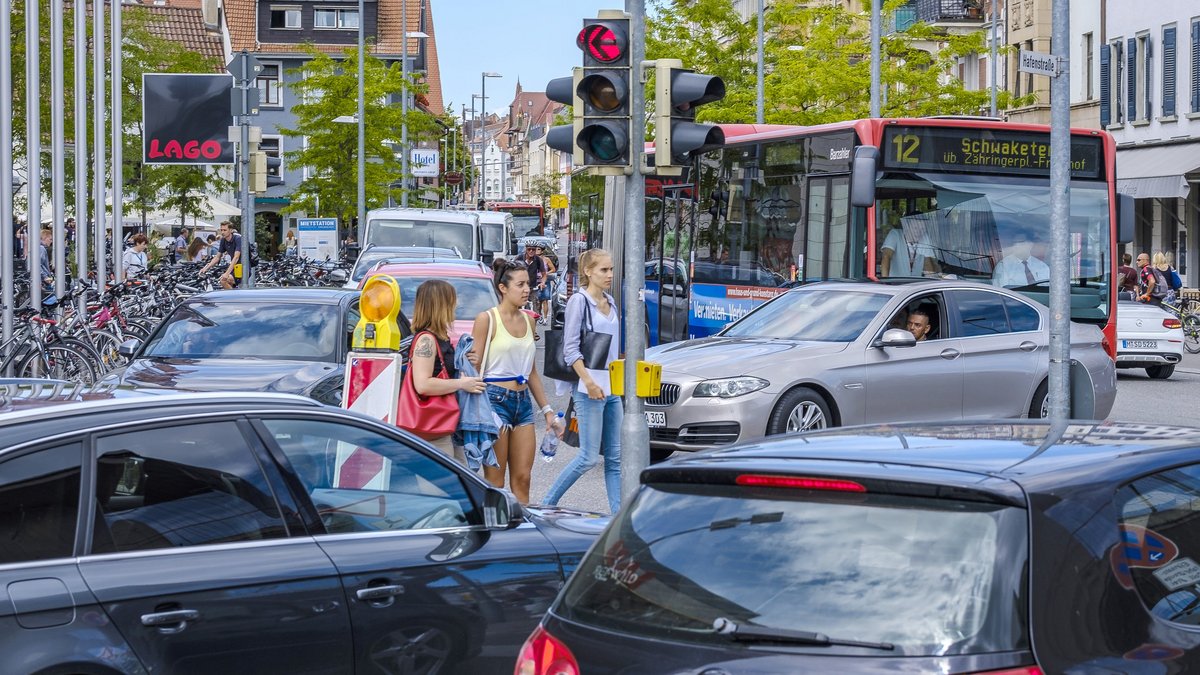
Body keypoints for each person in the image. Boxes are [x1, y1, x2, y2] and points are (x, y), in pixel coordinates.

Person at [469, 258, 560, 504]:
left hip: (523, 404)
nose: (526, 289)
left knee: (523, 478)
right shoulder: (487, 319)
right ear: (503, 288)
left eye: (528, 284)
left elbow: (530, 371)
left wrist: (548, 410)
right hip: (494, 401)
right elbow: (473, 367)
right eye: (520, 285)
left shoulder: (530, 320)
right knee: (495, 482)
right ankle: (493, 535)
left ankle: (522, 534)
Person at [543, 248, 623, 515]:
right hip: (588, 389)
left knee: (614, 459)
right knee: (588, 457)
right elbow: (570, 349)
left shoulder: (611, 302)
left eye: (611, 269)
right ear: (588, 272)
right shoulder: (580, 301)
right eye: (604, 269)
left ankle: (617, 515)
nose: (609, 274)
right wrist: (588, 382)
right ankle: (546, 504)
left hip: (612, 387)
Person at [408, 280, 486, 461]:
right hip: (432, 428)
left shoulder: (438, 338)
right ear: (439, 305)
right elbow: (423, 384)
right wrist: (462, 384)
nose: (456, 305)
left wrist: (464, 361)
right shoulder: (426, 340)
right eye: (452, 300)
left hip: (443, 426)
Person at [199, 221, 243, 289]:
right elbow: (217, 257)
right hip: (235, 267)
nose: (222, 232)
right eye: (221, 230)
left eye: (225, 230)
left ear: (231, 230)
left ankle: (235, 298)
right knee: (226, 282)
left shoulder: (238, 238)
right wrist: (205, 268)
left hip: (243, 267)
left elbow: (236, 257)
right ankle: (234, 295)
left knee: (224, 280)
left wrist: (227, 273)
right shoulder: (223, 240)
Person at [520, 242, 547, 312]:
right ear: (526, 249)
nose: (531, 251)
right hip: (520, 288)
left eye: (533, 249)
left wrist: (542, 283)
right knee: (517, 306)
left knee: (536, 307)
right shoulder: (519, 258)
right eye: (529, 249)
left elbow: (544, 274)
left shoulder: (538, 260)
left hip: (532, 288)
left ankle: (534, 320)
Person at [537, 245, 556, 324]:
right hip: (536, 281)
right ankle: (539, 315)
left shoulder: (546, 259)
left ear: (542, 251)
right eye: (536, 249)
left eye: (539, 249)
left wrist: (546, 273)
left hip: (545, 281)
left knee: (545, 300)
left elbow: (553, 269)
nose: (537, 251)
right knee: (538, 301)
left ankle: (545, 318)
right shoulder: (534, 259)